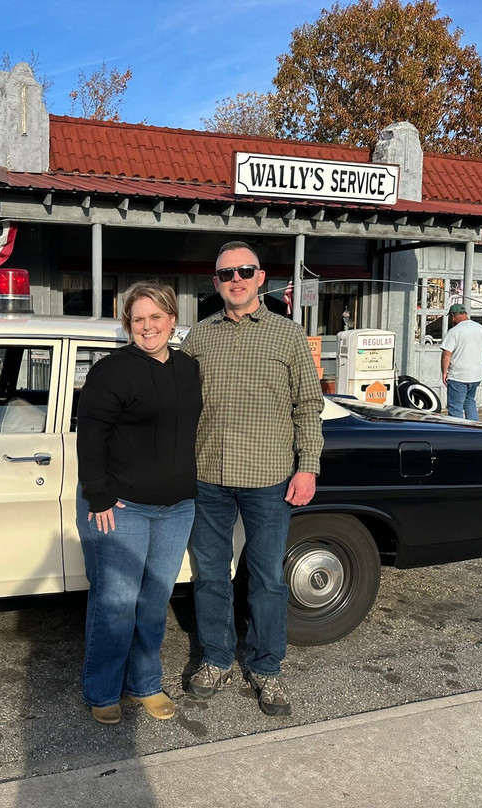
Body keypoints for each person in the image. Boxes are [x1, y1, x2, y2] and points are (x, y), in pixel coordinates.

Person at [181, 241, 324, 717]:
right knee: (210, 576)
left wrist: (309, 467)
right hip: (208, 475)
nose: (235, 280)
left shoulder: (288, 336)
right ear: (216, 283)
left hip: (269, 477)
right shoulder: (198, 339)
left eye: (244, 271)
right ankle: (217, 659)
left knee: (266, 578)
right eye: (226, 274)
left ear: (261, 277)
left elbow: (309, 406)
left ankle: (267, 668)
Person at [75, 281, 202, 725]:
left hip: (177, 507)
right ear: (128, 324)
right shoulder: (112, 370)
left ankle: (144, 684)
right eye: (138, 319)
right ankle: (103, 690)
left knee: (153, 602)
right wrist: (99, 495)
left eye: (155, 317)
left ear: (171, 320)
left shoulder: (187, 368)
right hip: (122, 506)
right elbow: (90, 434)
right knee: (116, 602)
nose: (147, 327)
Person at [441, 303, 482, 420]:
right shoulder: (481, 329)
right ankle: (475, 431)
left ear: (453, 316)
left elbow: (446, 355)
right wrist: (479, 362)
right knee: (469, 401)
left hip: (458, 376)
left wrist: (444, 372)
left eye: (451, 318)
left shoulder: (454, 331)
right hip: (475, 375)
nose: (451, 320)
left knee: (455, 407)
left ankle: (457, 433)